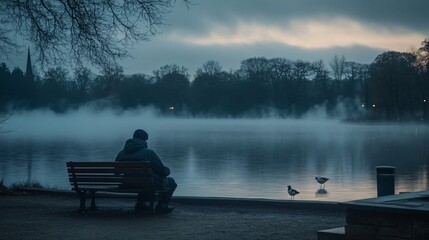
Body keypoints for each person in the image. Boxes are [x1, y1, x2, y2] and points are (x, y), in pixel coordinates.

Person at [115, 129, 177, 213]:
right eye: (146, 140)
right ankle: (162, 205)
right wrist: (167, 170)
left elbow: (116, 172)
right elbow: (162, 171)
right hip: (147, 184)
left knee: (143, 179)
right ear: (144, 140)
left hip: (127, 184)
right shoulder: (149, 153)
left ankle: (140, 204)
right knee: (170, 181)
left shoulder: (121, 153)